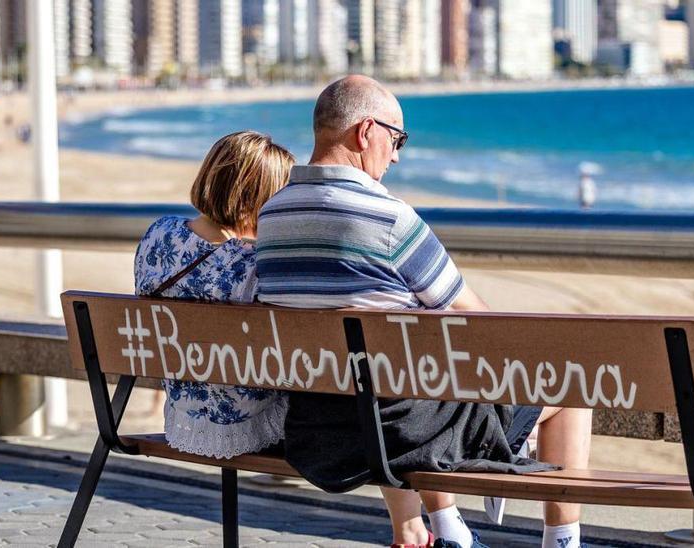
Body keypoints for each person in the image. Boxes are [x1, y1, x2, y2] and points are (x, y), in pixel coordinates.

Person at [255, 76, 593, 548]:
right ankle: (562, 541)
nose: (396, 155)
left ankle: (452, 529)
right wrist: (521, 378)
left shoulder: (270, 217)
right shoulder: (389, 220)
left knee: (409, 374)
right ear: (365, 131)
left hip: (316, 430)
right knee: (572, 382)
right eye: (397, 139)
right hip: (404, 434)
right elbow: (476, 319)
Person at [133, 130, 295, 459]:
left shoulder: (158, 234)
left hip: (183, 414)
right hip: (246, 424)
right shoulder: (253, 265)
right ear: (258, 200)